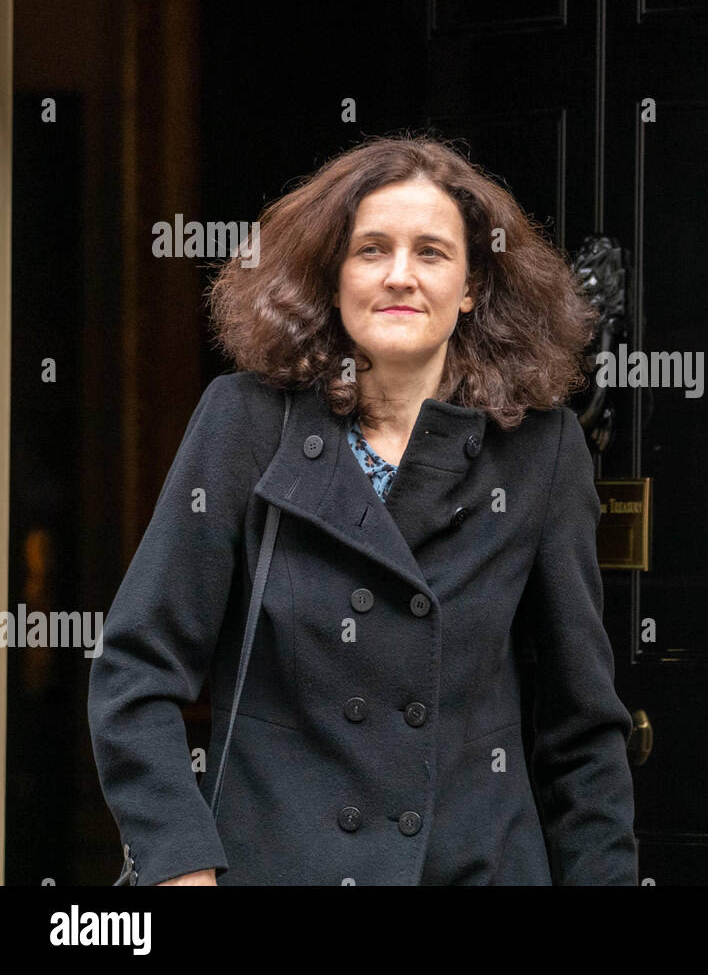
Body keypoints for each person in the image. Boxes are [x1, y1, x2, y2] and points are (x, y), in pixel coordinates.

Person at [86, 135, 638, 885]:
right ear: (334, 276)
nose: (400, 275)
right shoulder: (245, 422)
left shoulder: (541, 451)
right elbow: (135, 670)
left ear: (472, 284)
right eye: (371, 249)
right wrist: (182, 867)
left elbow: (582, 732)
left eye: (433, 253)